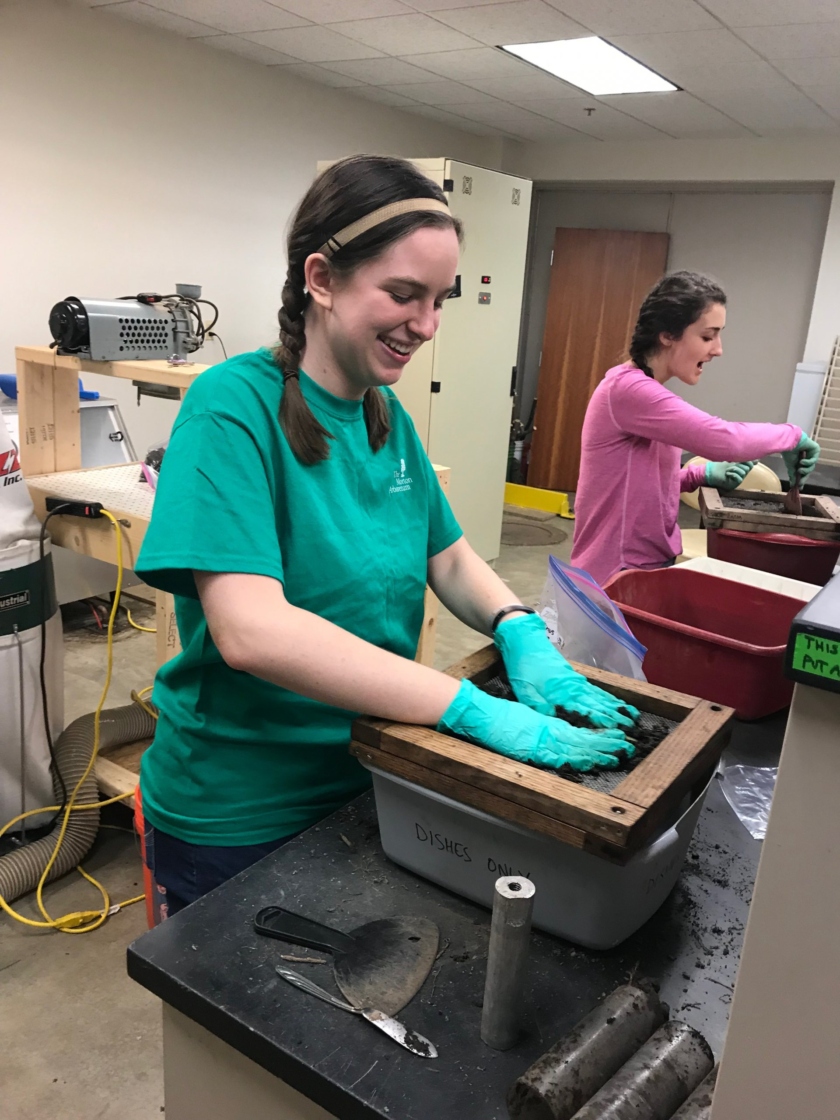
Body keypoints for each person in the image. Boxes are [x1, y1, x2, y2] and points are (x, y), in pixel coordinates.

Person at [135, 155, 638, 915]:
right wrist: (467, 708)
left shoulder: (384, 416)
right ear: (322, 278)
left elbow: (450, 555)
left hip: (375, 774)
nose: (427, 325)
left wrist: (517, 626)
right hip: (240, 811)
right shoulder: (230, 408)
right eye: (403, 294)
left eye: (440, 299)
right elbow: (250, 631)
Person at [571, 271, 820, 586]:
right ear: (668, 335)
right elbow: (723, 440)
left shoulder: (646, 392)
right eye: (707, 336)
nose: (718, 349)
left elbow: (637, 487)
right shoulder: (628, 392)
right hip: (615, 576)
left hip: (645, 564)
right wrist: (791, 436)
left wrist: (700, 475)